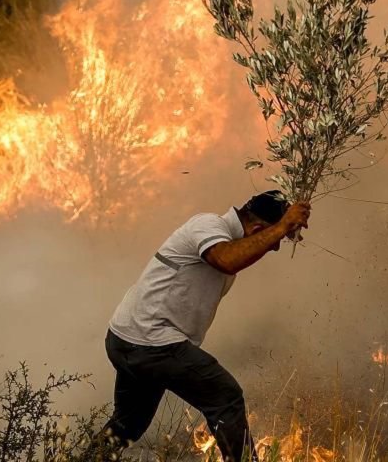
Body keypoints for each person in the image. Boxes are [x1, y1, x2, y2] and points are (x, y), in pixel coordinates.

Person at [92, 190, 310, 462]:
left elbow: (237, 258)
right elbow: (227, 259)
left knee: (128, 425)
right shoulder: (207, 225)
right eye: (271, 239)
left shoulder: (226, 238)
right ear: (256, 228)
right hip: (152, 343)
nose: (274, 247)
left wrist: (281, 228)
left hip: (127, 339)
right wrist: (282, 227)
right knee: (226, 398)